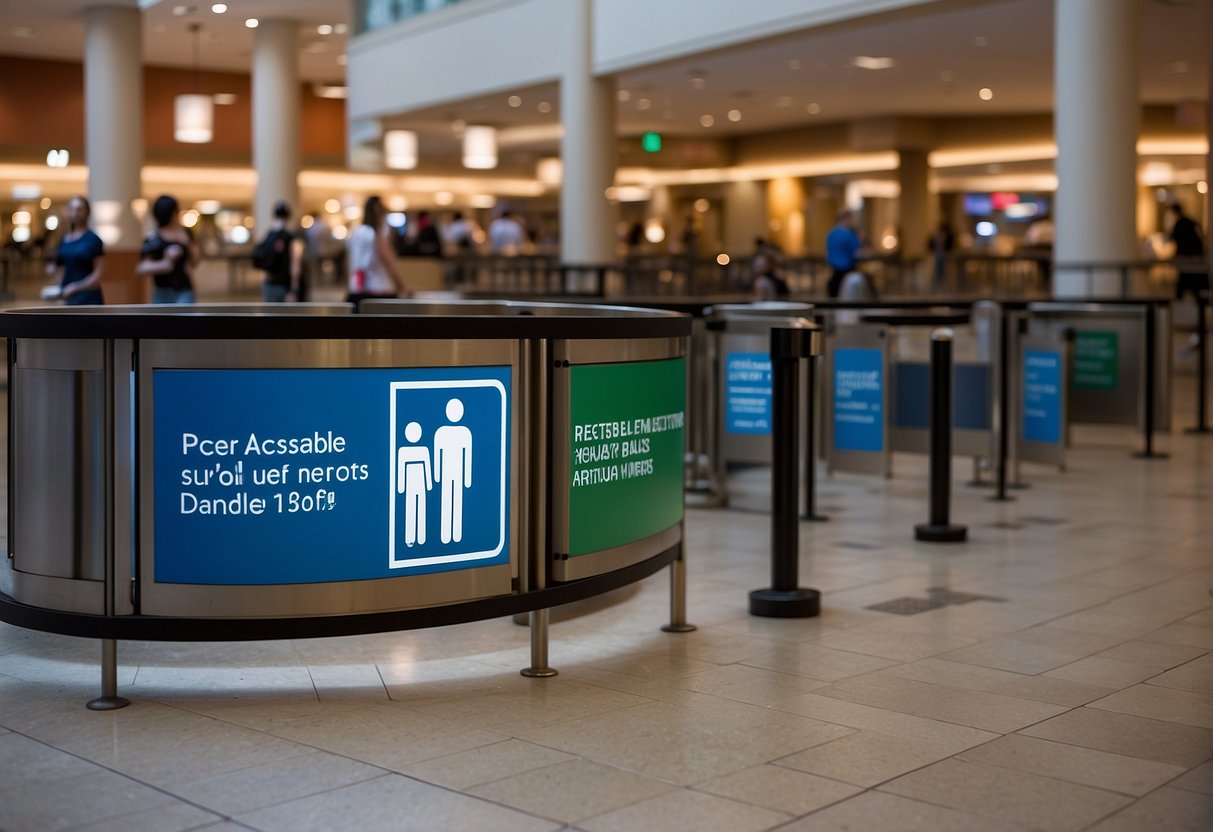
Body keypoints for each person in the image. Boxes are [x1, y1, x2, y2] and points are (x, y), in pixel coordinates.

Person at [137, 194, 197, 304]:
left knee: (185, 319)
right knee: (163, 320)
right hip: (162, 290)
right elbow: (141, 267)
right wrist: (165, 263)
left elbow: (195, 261)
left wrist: (186, 242)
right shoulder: (153, 238)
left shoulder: (185, 234)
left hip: (184, 288)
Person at [347, 195, 407, 303]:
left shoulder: (357, 232)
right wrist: (402, 286)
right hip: (380, 288)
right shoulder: (376, 235)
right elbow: (389, 263)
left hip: (358, 287)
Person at [46, 195, 105, 305]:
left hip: (88, 297)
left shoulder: (93, 240)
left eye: (79, 209)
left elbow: (99, 273)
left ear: (87, 212)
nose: (75, 213)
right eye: (72, 209)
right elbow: (59, 266)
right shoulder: (64, 239)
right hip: (68, 297)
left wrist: (76, 287)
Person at [255, 200, 303, 302]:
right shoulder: (289, 237)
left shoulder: (269, 234)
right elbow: (295, 265)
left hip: (269, 283)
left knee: (271, 314)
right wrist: (294, 289)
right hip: (284, 284)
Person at [1168, 202, 1207, 302]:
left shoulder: (1180, 224)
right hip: (1195, 258)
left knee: (1187, 281)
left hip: (1188, 259)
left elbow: (1173, 238)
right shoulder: (1192, 222)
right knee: (1194, 284)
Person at [826, 210, 862, 298]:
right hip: (847, 267)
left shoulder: (831, 233)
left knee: (835, 291)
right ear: (846, 220)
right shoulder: (848, 234)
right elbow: (857, 251)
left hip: (834, 267)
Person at [928, 221, 955, 287]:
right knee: (937, 269)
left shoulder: (948, 235)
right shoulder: (935, 235)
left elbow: (950, 245)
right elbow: (931, 244)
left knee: (945, 269)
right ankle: (937, 282)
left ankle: (944, 282)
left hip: (945, 254)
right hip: (937, 255)